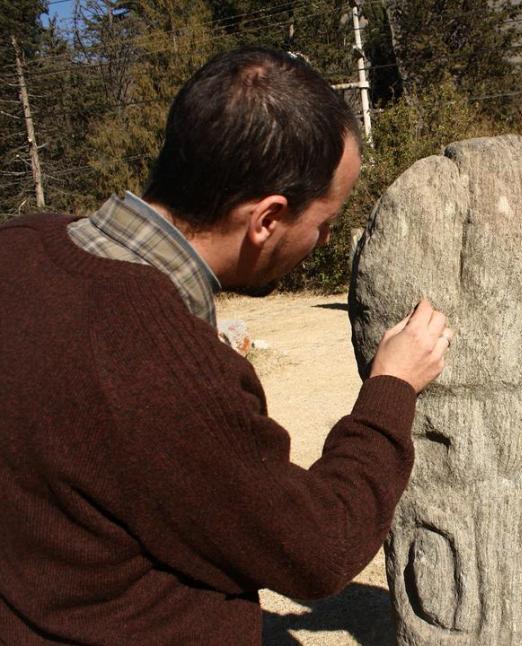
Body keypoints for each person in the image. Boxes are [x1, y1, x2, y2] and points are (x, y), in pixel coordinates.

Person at [0, 47, 453, 643]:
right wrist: (390, 389)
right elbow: (318, 549)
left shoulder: (18, 247)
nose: (322, 240)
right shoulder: (164, 367)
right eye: (326, 222)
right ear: (266, 219)